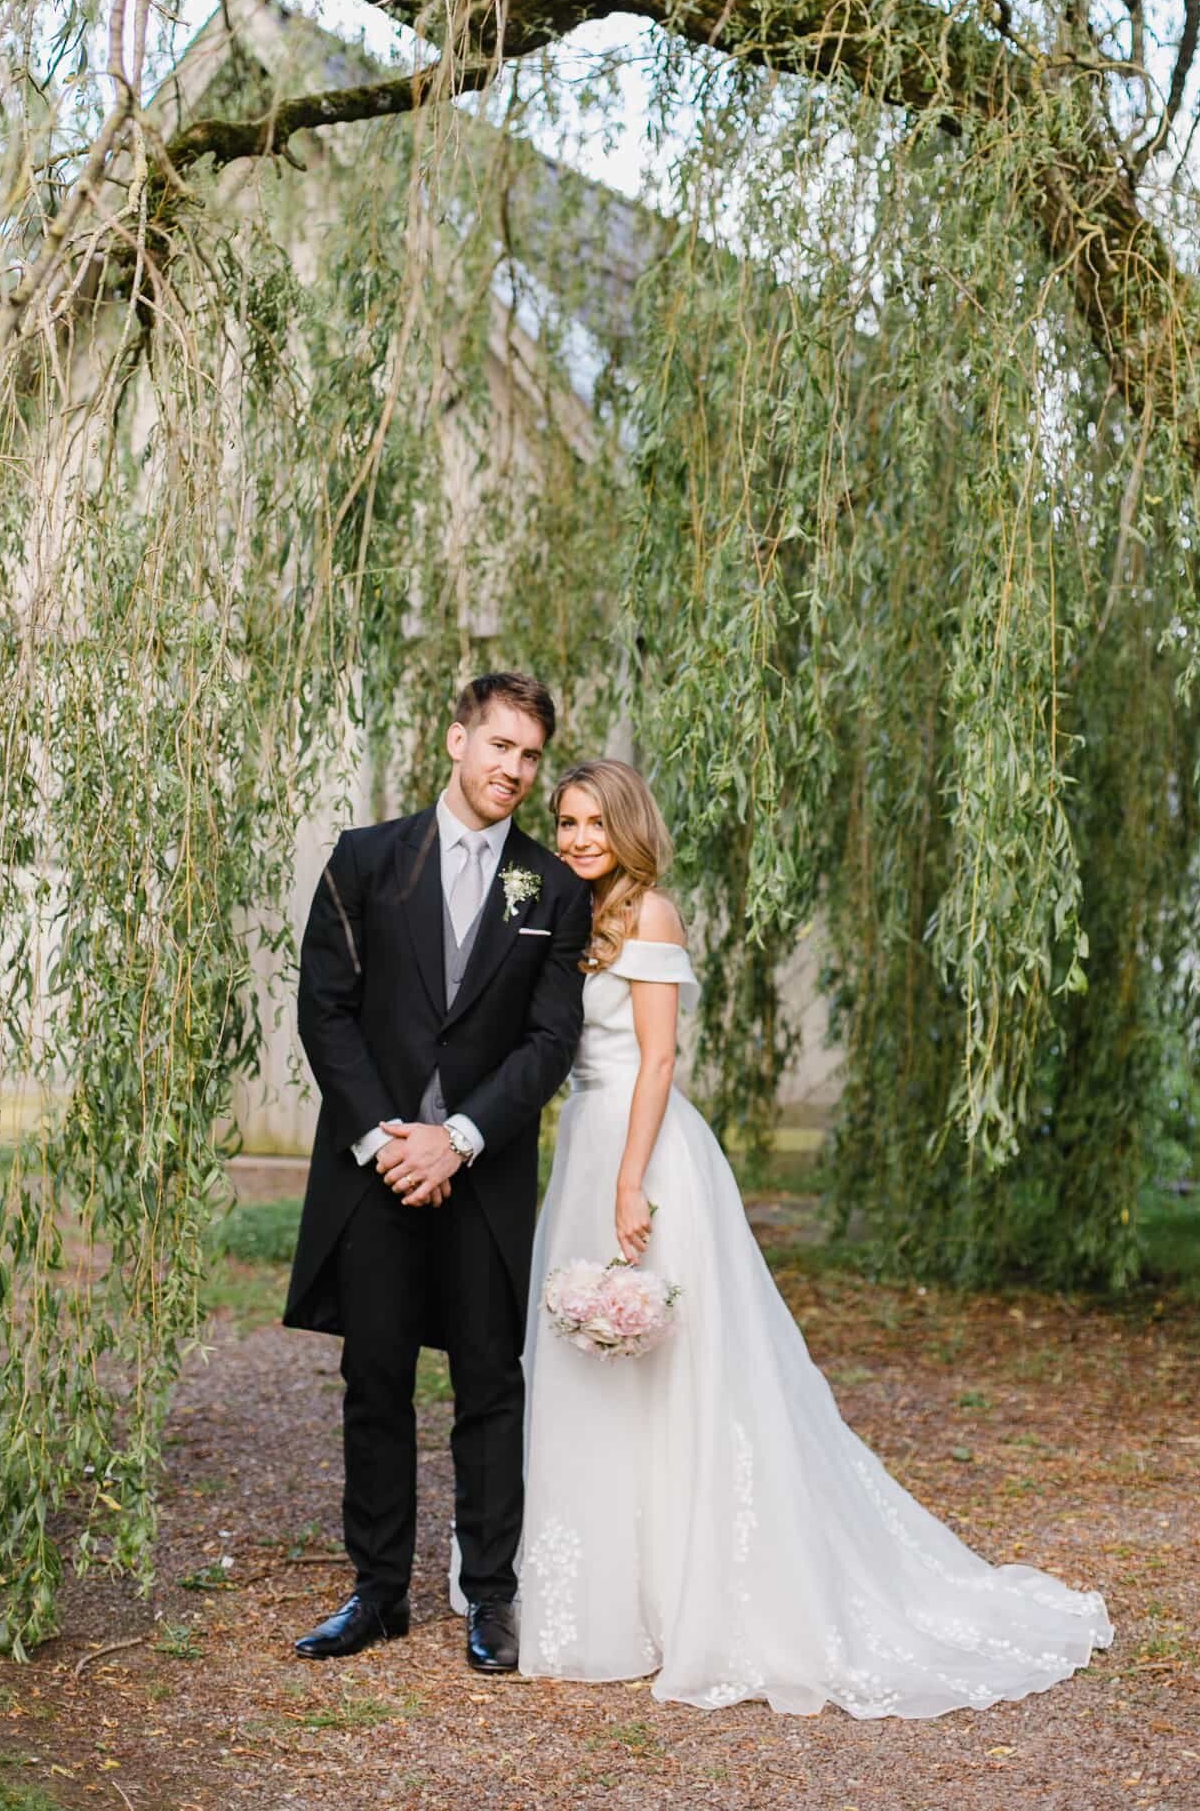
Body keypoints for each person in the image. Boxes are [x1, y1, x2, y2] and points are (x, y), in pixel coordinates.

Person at [515, 757, 1113, 1716]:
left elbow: (659, 1055)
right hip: (585, 1142)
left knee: (673, 1362)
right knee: (593, 1358)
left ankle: (693, 1591)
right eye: (567, 822)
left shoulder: (653, 915)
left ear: (629, 825)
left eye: (594, 821)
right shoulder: (576, 918)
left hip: (642, 1149)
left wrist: (631, 1181)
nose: (579, 837)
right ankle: (604, 1601)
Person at [284, 671, 591, 1671]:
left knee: (488, 1387)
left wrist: (457, 1137)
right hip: (375, 1171)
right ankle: (377, 1593)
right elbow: (324, 1009)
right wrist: (389, 1139)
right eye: (499, 745)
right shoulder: (366, 861)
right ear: (456, 741)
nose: (514, 768)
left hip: (481, 1176)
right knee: (374, 1380)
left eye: (530, 755)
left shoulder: (554, 888)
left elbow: (547, 1043)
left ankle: (490, 1599)